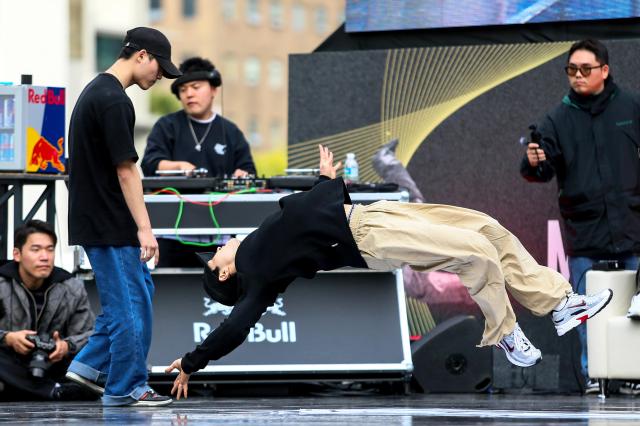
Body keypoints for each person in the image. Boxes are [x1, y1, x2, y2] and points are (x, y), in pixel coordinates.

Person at [164, 145, 613, 399]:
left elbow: (309, 217)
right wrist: (192, 361)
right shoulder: (259, 277)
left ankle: (559, 303)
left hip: (371, 215)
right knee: (476, 254)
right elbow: (235, 327)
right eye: (215, 257)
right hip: (369, 239)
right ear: (224, 275)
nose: (220, 246)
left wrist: (324, 179)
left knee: (487, 229)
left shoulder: (261, 243)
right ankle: (507, 334)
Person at [65, 27, 181, 407]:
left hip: (100, 218)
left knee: (135, 296)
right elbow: (126, 169)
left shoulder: (97, 92)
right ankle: (126, 386)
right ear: (142, 55)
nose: (161, 77)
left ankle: (90, 367)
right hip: (109, 222)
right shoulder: (114, 100)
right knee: (131, 305)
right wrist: (145, 229)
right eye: (159, 68)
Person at [520, 39, 640, 395]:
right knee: (586, 310)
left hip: (631, 224)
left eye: (585, 69)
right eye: (571, 70)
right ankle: (593, 374)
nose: (577, 76)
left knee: (635, 309)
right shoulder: (557, 118)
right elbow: (537, 171)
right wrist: (534, 161)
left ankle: (634, 370)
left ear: (605, 70)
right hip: (583, 230)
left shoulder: (631, 106)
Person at [141, 56, 257, 268]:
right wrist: (178, 166)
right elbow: (149, 164)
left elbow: (248, 171)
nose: (189, 94)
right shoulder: (167, 126)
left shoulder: (230, 131)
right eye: (183, 89)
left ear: (213, 90)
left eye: (196, 87)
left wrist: (243, 175)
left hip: (219, 237)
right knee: (172, 292)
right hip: (171, 232)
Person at [0, 220, 95, 401]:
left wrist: (66, 346)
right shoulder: (2, 284)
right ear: (17, 254)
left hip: (53, 364)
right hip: (9, 363)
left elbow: (89, 334)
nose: (44, 257)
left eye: (50, 249)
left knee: (107, 350)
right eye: (36, 249)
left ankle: (27, 389)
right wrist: (8, 338)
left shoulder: (71, 287)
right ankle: (53, 391)